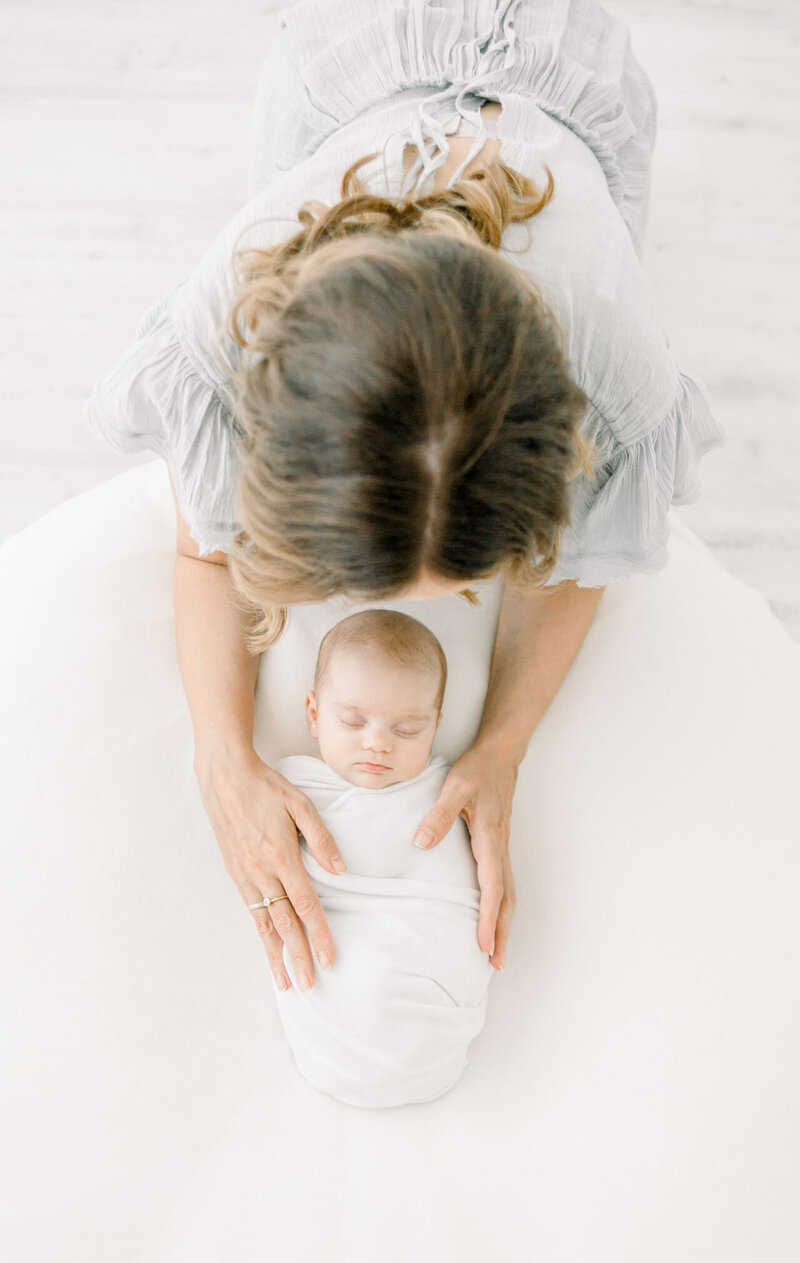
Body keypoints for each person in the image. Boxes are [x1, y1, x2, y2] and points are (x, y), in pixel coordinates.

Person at [82, 0, 726, 1003]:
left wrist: (503, 743)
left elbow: (578, 563)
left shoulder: (615, 364)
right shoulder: (230, 312)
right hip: (351, 55)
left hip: (568, 86)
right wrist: (221, 754)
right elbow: (206, 546)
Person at [270, 606, 494, 1108]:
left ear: (436, 725)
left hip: (430, 960)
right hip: (344, 993)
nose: (377, 743)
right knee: (357, 979)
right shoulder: (295, 789)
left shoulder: (447, 790)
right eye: (352, 721)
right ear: (313, 713)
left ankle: (416, 1040)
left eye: (408, 729)